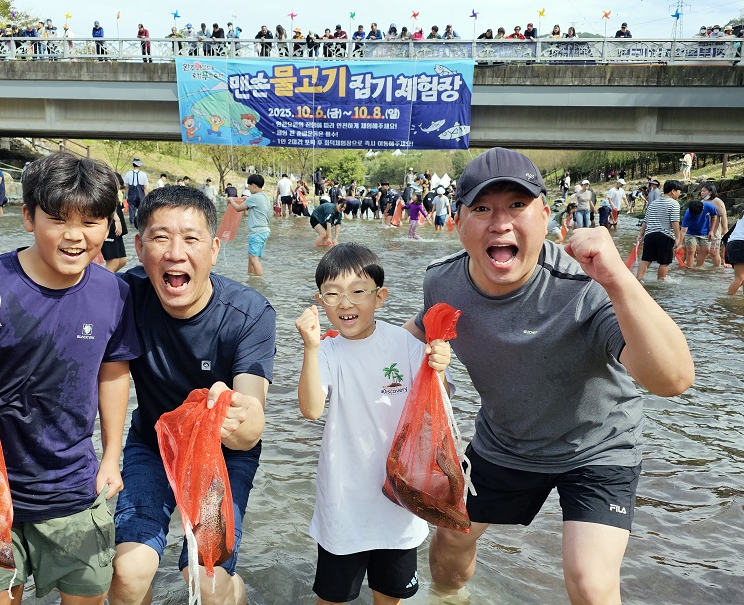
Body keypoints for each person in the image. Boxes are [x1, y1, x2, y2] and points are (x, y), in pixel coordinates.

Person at [403, 147, 694, 604]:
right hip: (506, 441)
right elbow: (418, 334)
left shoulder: (587, 284)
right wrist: (346, 350)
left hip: (598, 447)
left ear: (545, 216)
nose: (500, 223)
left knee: (590, 583)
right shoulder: (442, 282)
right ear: (457, 222)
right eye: (482, 209)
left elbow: (673, 379)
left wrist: (617, 277)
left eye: (517, 206)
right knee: (450, 540)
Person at [0, 152, 142, 604]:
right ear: (27, 217)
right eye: (57, 219)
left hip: (72, 483)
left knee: (88, 595)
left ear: (111, 225)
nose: (75, 235)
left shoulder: (114, 293)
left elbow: (113, 374)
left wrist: (112, 455)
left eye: (92, 220)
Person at [294, 243, 453, 605]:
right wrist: (311, 348)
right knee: (333, 598)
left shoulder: (406, 345)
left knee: (389, 596)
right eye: (333, 294)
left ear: (379, 297)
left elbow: (437, 405)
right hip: (345, 500)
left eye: (358, 292)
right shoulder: (329, 350)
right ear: (321, 301)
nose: (346, 304)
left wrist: (440, 366)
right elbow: (311, 409)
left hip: (399, 498)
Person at [635, 180, 683, 282]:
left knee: (646, 260)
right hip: (664, 236)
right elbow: (674, 221)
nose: (680, 194)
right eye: (679, 191)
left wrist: (641, 235)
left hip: (649, 235)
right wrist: (678, 237)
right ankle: (661, 282)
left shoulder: (653, 203)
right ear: (673, 191)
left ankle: (638, 280)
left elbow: (646, 220)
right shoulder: (674, 204)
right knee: (664, 262)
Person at [227, 174, 272, 276]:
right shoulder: (264, 196)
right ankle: (251, 279)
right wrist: (244, 199)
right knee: (251, 257)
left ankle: (260, 282)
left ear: (254, 186)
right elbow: (251, 202)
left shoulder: (254, 198)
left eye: (249, 186)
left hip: (257, 232)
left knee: (253, 258)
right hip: (264, 231)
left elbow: (238, 208)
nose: (248, 188)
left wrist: (231, 200)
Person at [100, 172, 128, 273]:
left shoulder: (115, 195)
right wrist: (116, 219)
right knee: (113, 262)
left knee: (122, 261)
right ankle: (105, 284)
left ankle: (110, 278)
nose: (118, 189)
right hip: (110, 228)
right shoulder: (105, 194)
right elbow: (108, 207)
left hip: (116, 230)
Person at [680, 198, 719, 268]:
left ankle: (699, 268)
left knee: (706, 250)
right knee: (691, 250)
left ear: (703, 208)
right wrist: (679, 243)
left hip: (705, 231)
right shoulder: (688, 213)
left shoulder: (709, 206)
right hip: (691, 232)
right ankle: (689, 268)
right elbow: (683, 230)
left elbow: (714, 216)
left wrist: (711, 231)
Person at [700, 184, 729, 267]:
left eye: (704, 191)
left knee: (714, 252)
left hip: (715, 230)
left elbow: (723, 215)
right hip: (703, 230)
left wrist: (725, 229)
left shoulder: (717, 201)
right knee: (703, 251)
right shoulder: (702, 201)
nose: (702, 193)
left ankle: (717, 268)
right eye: (701, 191)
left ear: (710, 192)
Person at [123, 159, 149, 228]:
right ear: (139, 165)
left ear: (133, 164)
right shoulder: (143, 174)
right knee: (141, 210)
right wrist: (146, 197)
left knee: (131, 210)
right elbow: (145, 187)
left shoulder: (128, 174)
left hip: (131, 194)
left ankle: (132, 224)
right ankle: (141, 225)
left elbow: (127, 186)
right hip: (141, 194)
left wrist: (126, 196)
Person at [725, 212, 744, 295]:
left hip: (734, 243)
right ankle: (728, 301)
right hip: (740, 244)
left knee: (741, 277)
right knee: (739, 277)